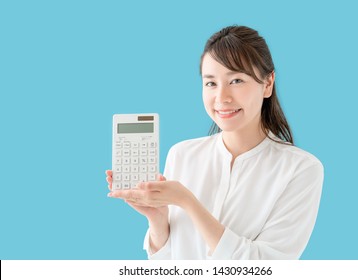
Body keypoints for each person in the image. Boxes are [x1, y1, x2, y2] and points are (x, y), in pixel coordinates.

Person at [106, 25, 324, 260]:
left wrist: (187, 202)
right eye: (211, 83)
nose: (222, 98)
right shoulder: (182, 154)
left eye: (237, 80)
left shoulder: (301, 169)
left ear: (268, 83)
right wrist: (158, 221)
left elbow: (266, 267)